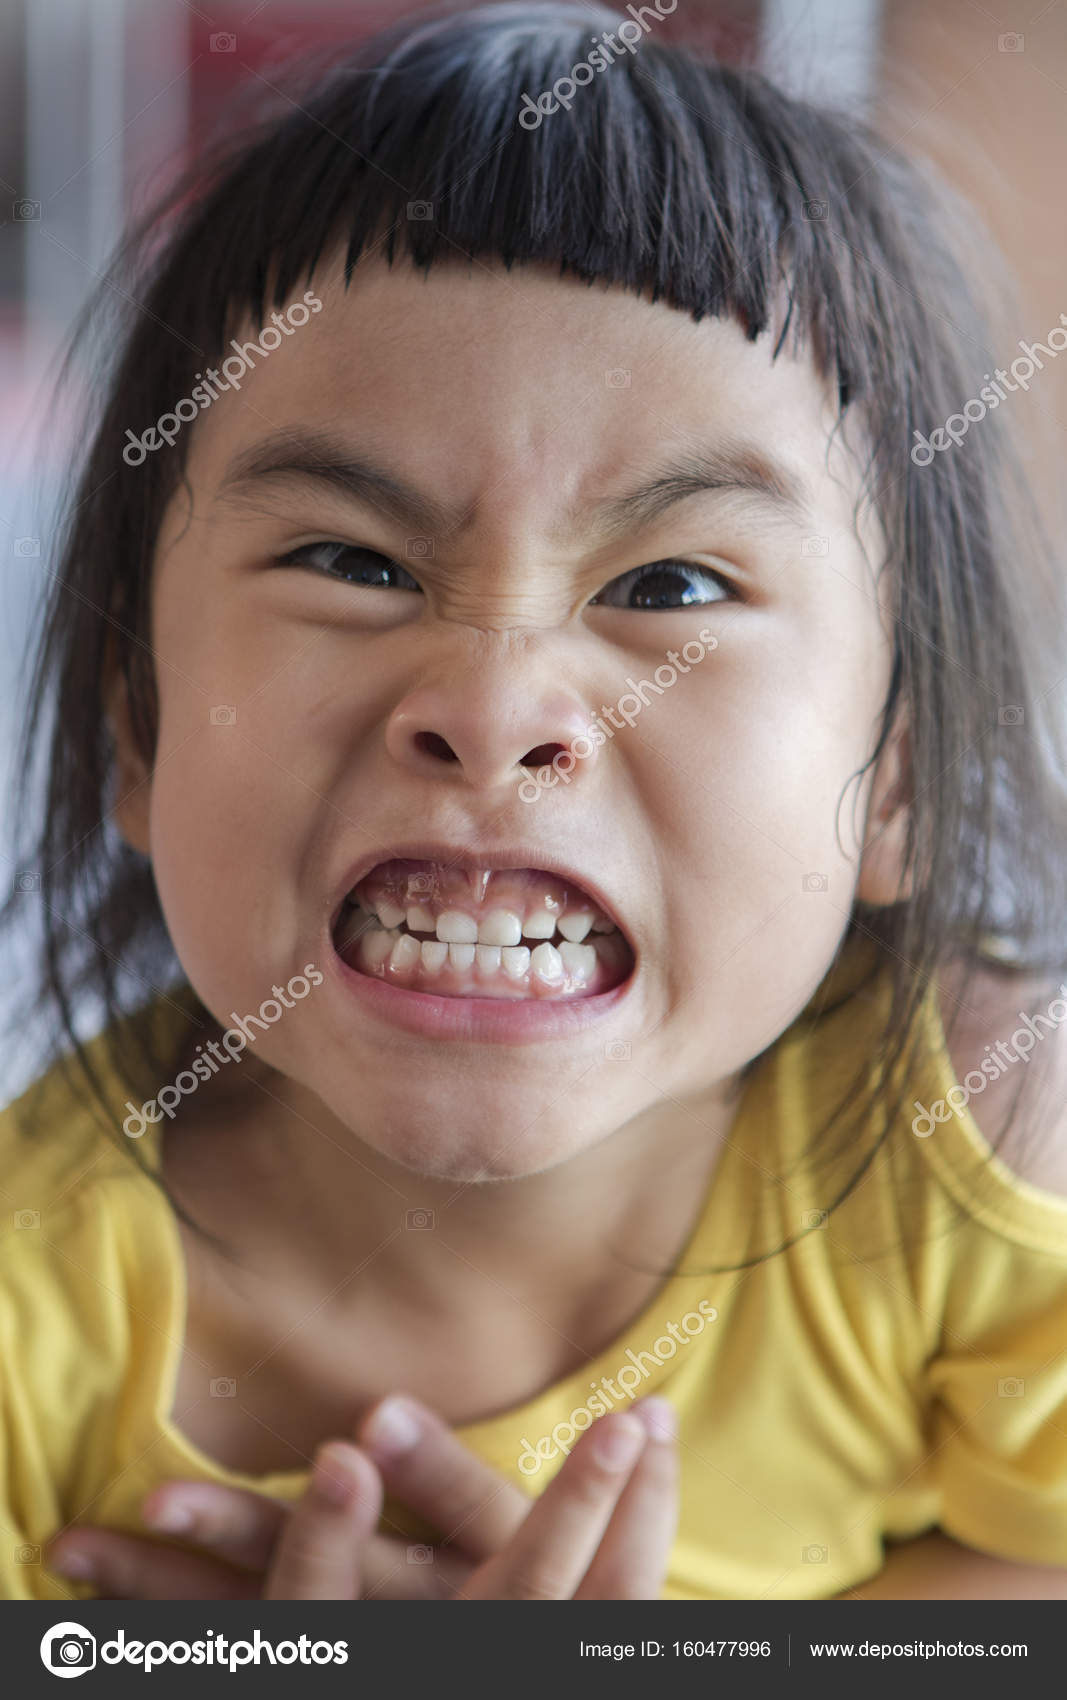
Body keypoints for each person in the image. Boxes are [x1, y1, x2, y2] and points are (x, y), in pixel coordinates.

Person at [3, 1, 1067, 1602]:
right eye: (353, 564)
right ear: (137, 729)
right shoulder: (31, 1314)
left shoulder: (994, 1161)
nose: (495, 712)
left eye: (673, 582)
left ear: (898, 770)